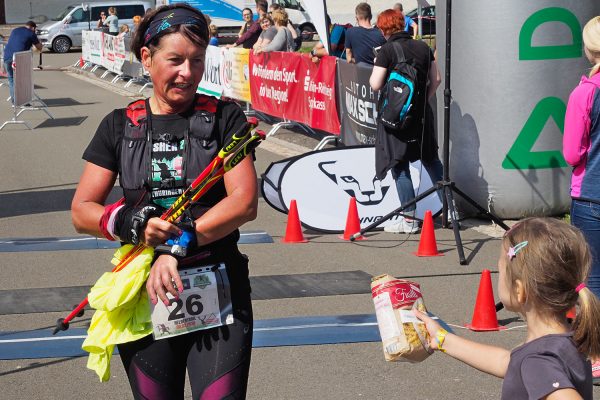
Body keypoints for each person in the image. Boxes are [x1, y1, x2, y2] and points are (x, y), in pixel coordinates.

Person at [71, 3, 257, 398]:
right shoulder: (119, 125)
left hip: (218, 288)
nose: (187, 73)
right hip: (145, 297)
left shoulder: (226, 118)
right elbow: (82, 211)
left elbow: (243, 202)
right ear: (146, 57)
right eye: (174, 60)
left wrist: (178, 243)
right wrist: (132, 224)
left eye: (197, 60)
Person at [416, 217, 600, 398]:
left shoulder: (538, 360)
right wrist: (442, 339)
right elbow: (506, 362)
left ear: (519, 290)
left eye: (501, 270)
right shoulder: (568, 339)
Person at [369, 9, 442, 233]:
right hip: (421, 117)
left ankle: (409, 220)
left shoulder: (387, 51)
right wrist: (420, 103)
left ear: (383, 29)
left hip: (395, 121)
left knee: (399, 166)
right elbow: (436, 79)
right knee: (431, 160)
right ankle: (451, 211)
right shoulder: (423, 47)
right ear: (403, 24)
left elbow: (375, 84)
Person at [563, 15, 600, 384]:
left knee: (592, 278)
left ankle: (596, 353)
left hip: (592, 195)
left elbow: (573, 152)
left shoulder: (585, 92)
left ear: (589, 49)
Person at [2, 21, 42, 104]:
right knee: (22, 79)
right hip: (18, 58)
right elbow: (39, 47)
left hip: (7, 57)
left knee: (11, 79)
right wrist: (39, 41)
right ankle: (23, 101)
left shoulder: (15, 30)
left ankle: (15, 101)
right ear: (33, 28)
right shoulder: (31, 33)